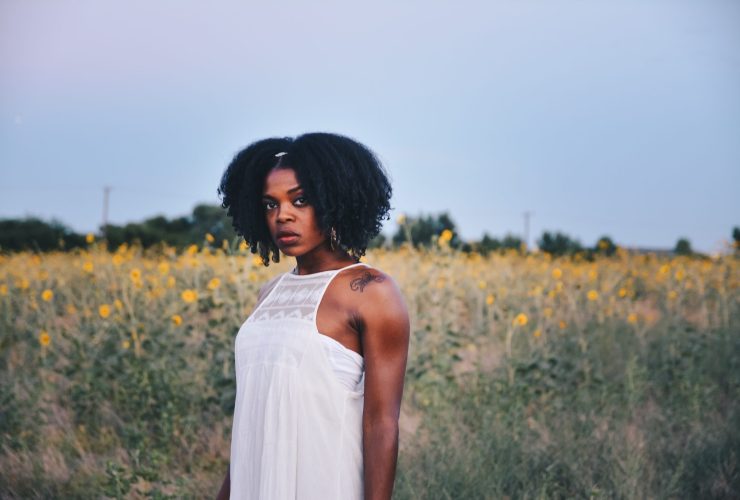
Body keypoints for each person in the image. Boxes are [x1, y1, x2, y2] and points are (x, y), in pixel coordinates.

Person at [215, 132, 411, 500]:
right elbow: (254, 418)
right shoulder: (270, 293)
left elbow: (381, 423)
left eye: (300, 200)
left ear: (335, 200)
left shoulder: (372, 291)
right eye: (270, 204)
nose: (283, 215)